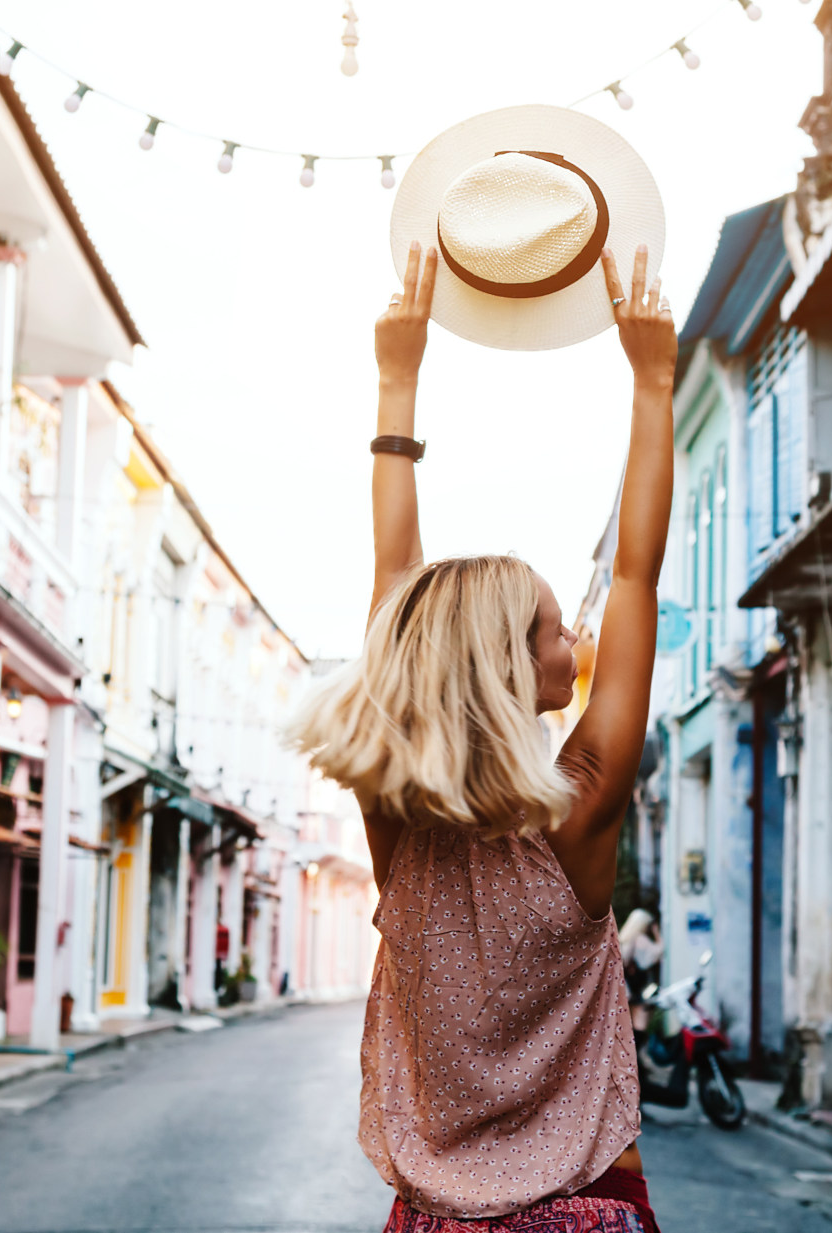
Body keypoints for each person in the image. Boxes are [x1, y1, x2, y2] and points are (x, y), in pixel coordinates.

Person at [289, 236, 675, 1232]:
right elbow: (635, 574)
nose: (576, 640)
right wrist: (652, 379)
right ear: (513, 666)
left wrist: (396, 379)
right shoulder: (580, 809)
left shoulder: (396, 825)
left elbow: (394, 591)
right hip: (586, 1211)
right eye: (555, 628)